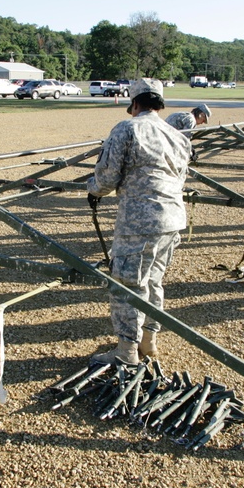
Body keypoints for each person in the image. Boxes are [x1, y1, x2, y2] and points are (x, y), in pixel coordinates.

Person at [87, 78, 191, 366]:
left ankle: (127, 350)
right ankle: (149, 340)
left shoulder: (127, 128)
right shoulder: (177, 135)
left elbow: (107, 178)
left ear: (134, 103)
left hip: (139, 223)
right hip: (172, 219)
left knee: (127, 284)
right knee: (154, 281)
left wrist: (92, 188)